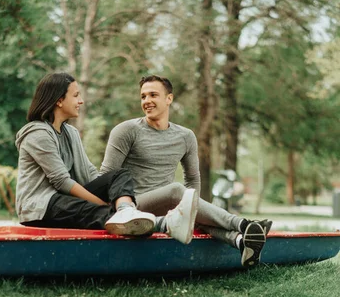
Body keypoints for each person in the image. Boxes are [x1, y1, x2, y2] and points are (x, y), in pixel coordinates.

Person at [101, 75, 272, 268]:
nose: (147, 101)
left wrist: (195, 213)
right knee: (176, 191)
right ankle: (244, 224)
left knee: (191, 210)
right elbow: (107, 177)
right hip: (133, 207)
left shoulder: (185, 136)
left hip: (169, 207)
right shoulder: (126, 131)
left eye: (153, 95)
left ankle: (241, 242)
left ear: (169, 99)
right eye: (143, 96)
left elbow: (193, 179)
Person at [15, 72, 198, 245]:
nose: (81, 100)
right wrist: (104, 203)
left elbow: (89, 173)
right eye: (76, 95)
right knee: (98, 211)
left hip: (64, 201)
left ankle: (126, 211)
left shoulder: (70, 132)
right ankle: (165, 224)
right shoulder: (37, 133)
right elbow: (61, 181)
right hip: (42, 207)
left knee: (119, 174)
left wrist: (114, 195)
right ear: (59, 100)